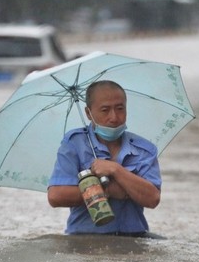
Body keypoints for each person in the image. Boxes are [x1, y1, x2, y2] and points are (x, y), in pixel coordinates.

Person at [47, 80, 161, 236]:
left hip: (134, 238)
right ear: (88, 113)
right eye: (105, 110)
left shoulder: (144, 149)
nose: (114, 117)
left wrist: (116, 170)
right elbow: (56, 196)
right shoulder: (74, 144)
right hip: (84, 239)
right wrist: (108, 190)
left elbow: (153, 198)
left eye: (120, 109)